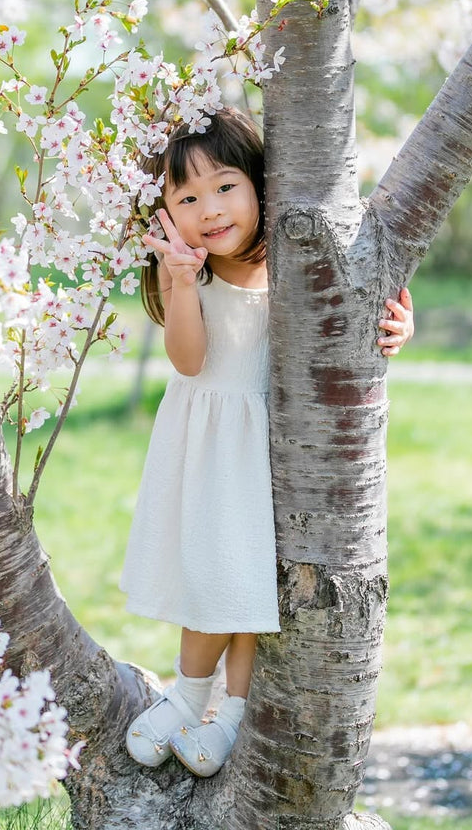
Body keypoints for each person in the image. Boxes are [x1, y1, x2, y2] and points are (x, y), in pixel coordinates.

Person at [119, 107, 414, 778]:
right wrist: (176, 279)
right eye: (186, 198)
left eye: (225, 186)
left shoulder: (296, 267)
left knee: (253, 584)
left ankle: (231, 712)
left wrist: (398, 323)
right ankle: (189, 692)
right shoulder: (195, 278)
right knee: (215, 572)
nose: (210, 209)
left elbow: (360, 315)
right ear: (164, 215)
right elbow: (190, 361)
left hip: (276, 454)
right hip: (212, 449)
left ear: (258, 183)